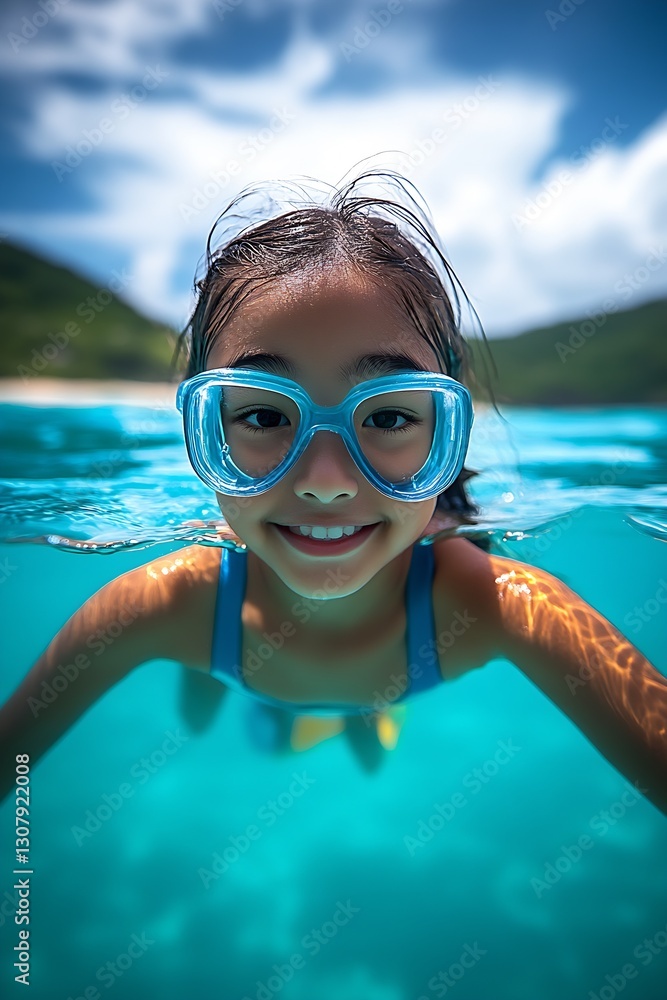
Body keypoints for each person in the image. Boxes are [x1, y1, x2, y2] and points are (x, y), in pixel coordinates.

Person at [1, 168, 666, 812]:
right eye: (262, 415)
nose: (324, 482)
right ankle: (246, 681)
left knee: (360, 740)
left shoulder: (493, 604)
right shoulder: (163, 604)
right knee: (205, 704)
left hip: (312, 661)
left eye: (386, 416)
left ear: (448, 427)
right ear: (202, 428)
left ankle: (353, 707)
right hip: (227, 649)